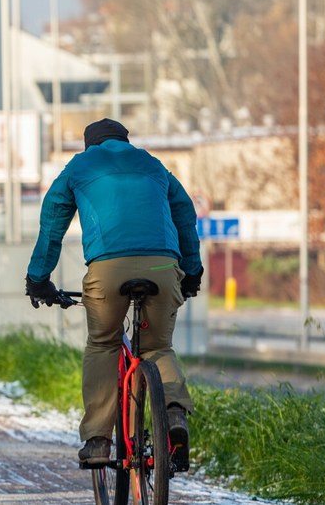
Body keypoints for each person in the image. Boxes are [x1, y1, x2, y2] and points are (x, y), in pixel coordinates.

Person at [23, 118, 202, 471]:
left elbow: (53, 220)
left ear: (90, 145)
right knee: (158, 346)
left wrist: (38, 279)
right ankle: (175, 415)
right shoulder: (152, 164)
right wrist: (192, 271)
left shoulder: (80, 166)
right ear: (125, 140)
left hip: (108, 270)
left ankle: (98, 441)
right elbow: (184, 213)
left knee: (103, 343)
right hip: (162, 267)